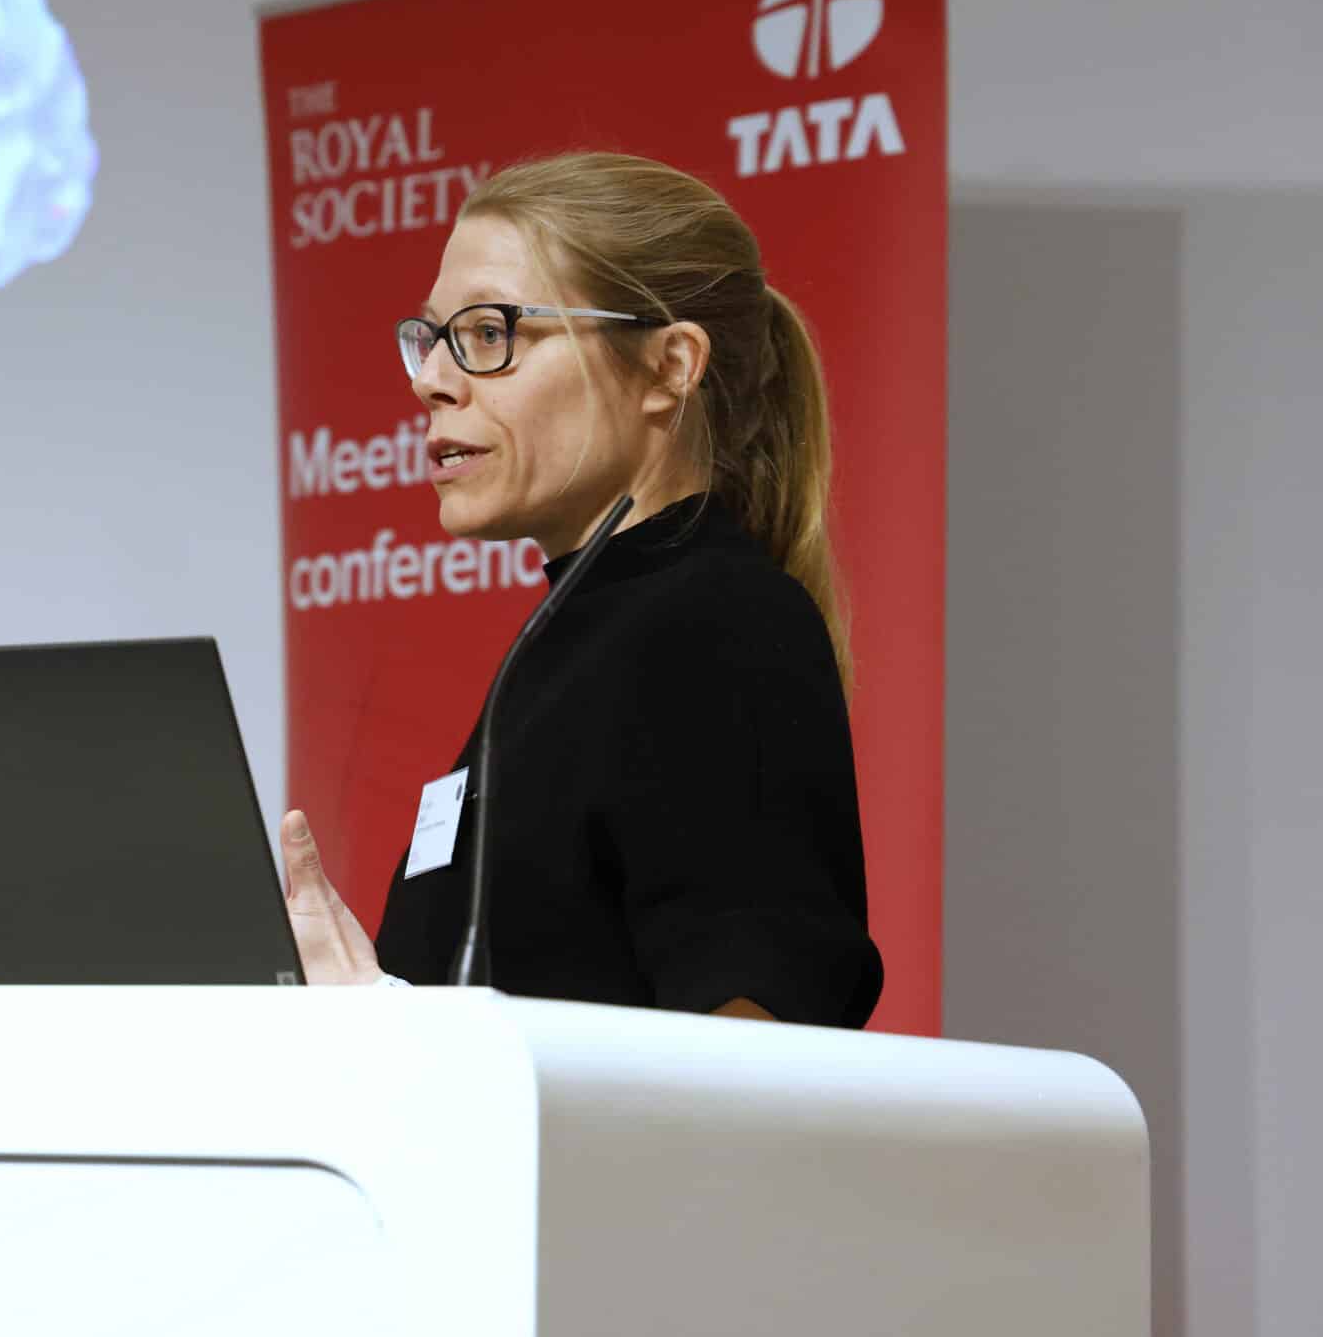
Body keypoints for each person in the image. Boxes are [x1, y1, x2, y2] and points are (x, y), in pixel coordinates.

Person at [279, 151, 883, 1026]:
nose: (430, 380)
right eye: (432, 338)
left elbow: (759, 1042)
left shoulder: (716, 625)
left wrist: (387, 1020)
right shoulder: (575, 638)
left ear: (670, 366)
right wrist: (373, 1016)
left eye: (490, 333)